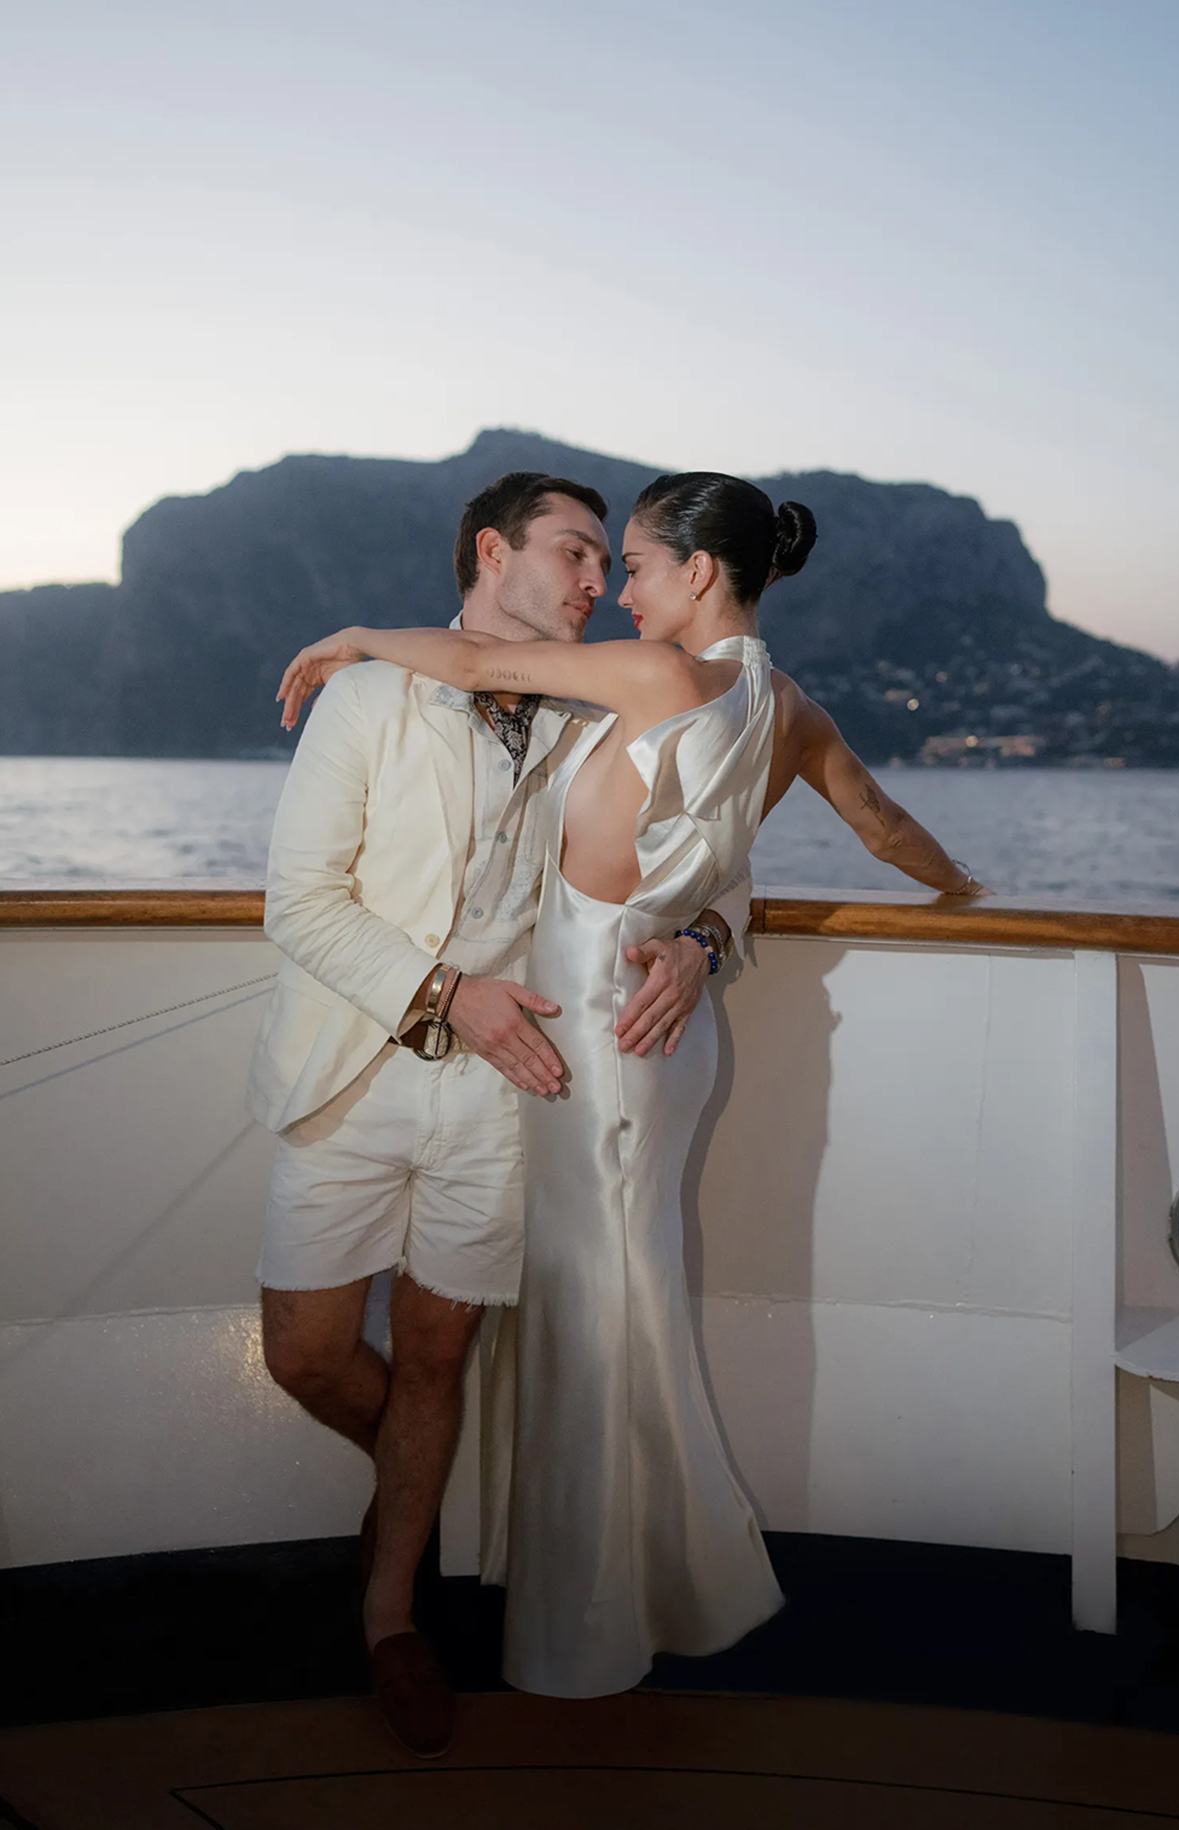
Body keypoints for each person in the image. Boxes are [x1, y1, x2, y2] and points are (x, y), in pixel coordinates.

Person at [278, 470, 986, 1700]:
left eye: (633, 564)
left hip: (572, 1049)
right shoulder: (779, 703)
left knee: (573, 1324)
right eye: (587, 558)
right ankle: (580, 1556)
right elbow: (873, 823)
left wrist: (355, 633)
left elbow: (478, 672)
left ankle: (544, 1618)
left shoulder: (639, 679)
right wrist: (967, 892)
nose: (612, 587)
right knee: (577, 1313)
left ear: (696, 573)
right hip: (568, 1043)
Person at [246, 471, 747, 1757]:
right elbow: (299, 901)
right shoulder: (369, 696)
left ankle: (390, 1617)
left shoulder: (607, 708)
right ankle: (410, 1498)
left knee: (435, 1359)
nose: (597, 583)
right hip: (353, 1067)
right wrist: (445, 993)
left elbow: (714, 862)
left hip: (509, 1090)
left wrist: (698, 941)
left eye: (606, 562)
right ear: (491, 552)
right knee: (303, 1354)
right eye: (574, 553)